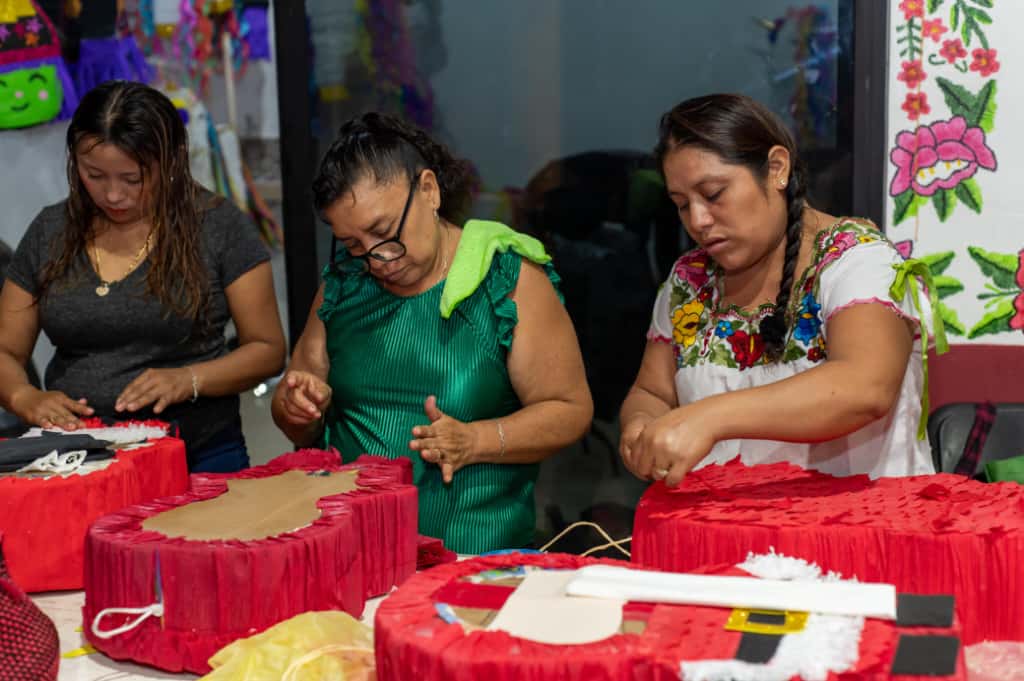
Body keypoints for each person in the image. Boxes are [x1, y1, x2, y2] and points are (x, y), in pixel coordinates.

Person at [272, 112, 592, 553]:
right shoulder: (344, 284)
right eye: (353, 244)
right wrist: (297, 409)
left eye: (384, 232)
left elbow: (570, 410)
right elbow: (298, 417)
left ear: (428, 191)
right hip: (352, 548)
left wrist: (475, 441)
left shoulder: (507, 281)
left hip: (473, 553)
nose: (377, 259)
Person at [620, 94, 940, 487]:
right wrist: (641, 426)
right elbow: (653, 391)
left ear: (776, 169)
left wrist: (710, 417)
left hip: (858, 519)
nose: (698, 220)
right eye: (682, 204)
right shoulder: (690, 281)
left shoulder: (857, 260)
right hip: (723, 521)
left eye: (714, 193)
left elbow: (865, 387)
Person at [0, 80, 286, 472]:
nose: (113, 194)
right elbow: (7, 350)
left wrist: (189, 379)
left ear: (170, 162)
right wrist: (23, 396)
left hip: (198, 453)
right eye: (94, 174)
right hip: (80, 458)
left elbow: (268, 349)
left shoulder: (218, 227)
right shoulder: (50, 231)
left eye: (132, 178)